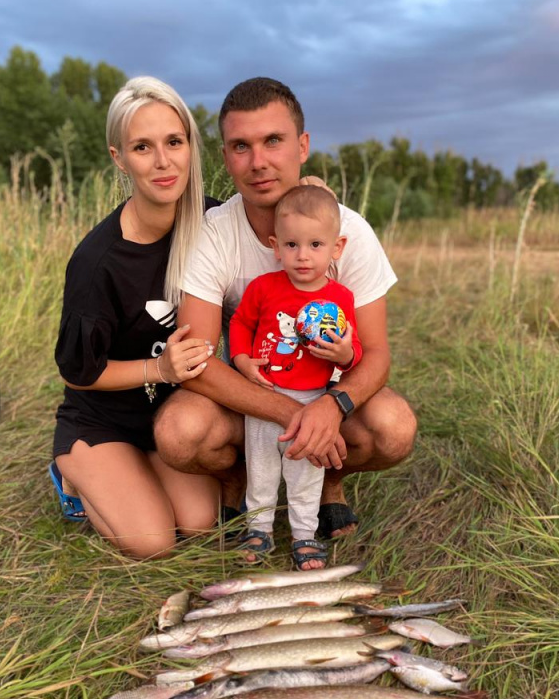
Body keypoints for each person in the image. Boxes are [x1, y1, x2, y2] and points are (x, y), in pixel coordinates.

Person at [153, 78, 416, 540]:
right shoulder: (213, 233)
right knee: (178, 431)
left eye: (273, 140)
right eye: (241, 146)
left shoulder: (349, 232)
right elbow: (194, 361)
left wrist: (331, 407)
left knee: (394, 428)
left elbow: (376, 354)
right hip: (254, 390)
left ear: (302, 145)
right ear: (225, 157)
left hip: (324, 389)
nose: (259, 162)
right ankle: (237, 481)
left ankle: (328, 483)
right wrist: (286, 411)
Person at [49, 77, 219, 559]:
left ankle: (142, 471)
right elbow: (78, 374)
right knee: (153, 542)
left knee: (201, 524)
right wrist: (159, 369)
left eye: (174, 142)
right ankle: (73, 479)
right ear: (119, 158)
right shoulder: (97, 262)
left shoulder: (214, 223)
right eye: (143, 147)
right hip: (101, 418)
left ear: (190, 145)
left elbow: (279, 225)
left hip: (168, 419)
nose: (163, 162)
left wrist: (305, 188)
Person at [230, 185, 362, 570]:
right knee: (261, 469)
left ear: (336, 248)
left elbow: (358, 352)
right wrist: (240, 358)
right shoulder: (263, 288)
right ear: (276, 246)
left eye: (316, 245)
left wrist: (345, 354)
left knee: (306, 472)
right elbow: (240, 323)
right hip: (264, 396)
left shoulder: (340, 299)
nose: (302, 256)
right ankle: (259, 530)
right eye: (291, 245)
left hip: (311, 400)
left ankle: (304, 536)